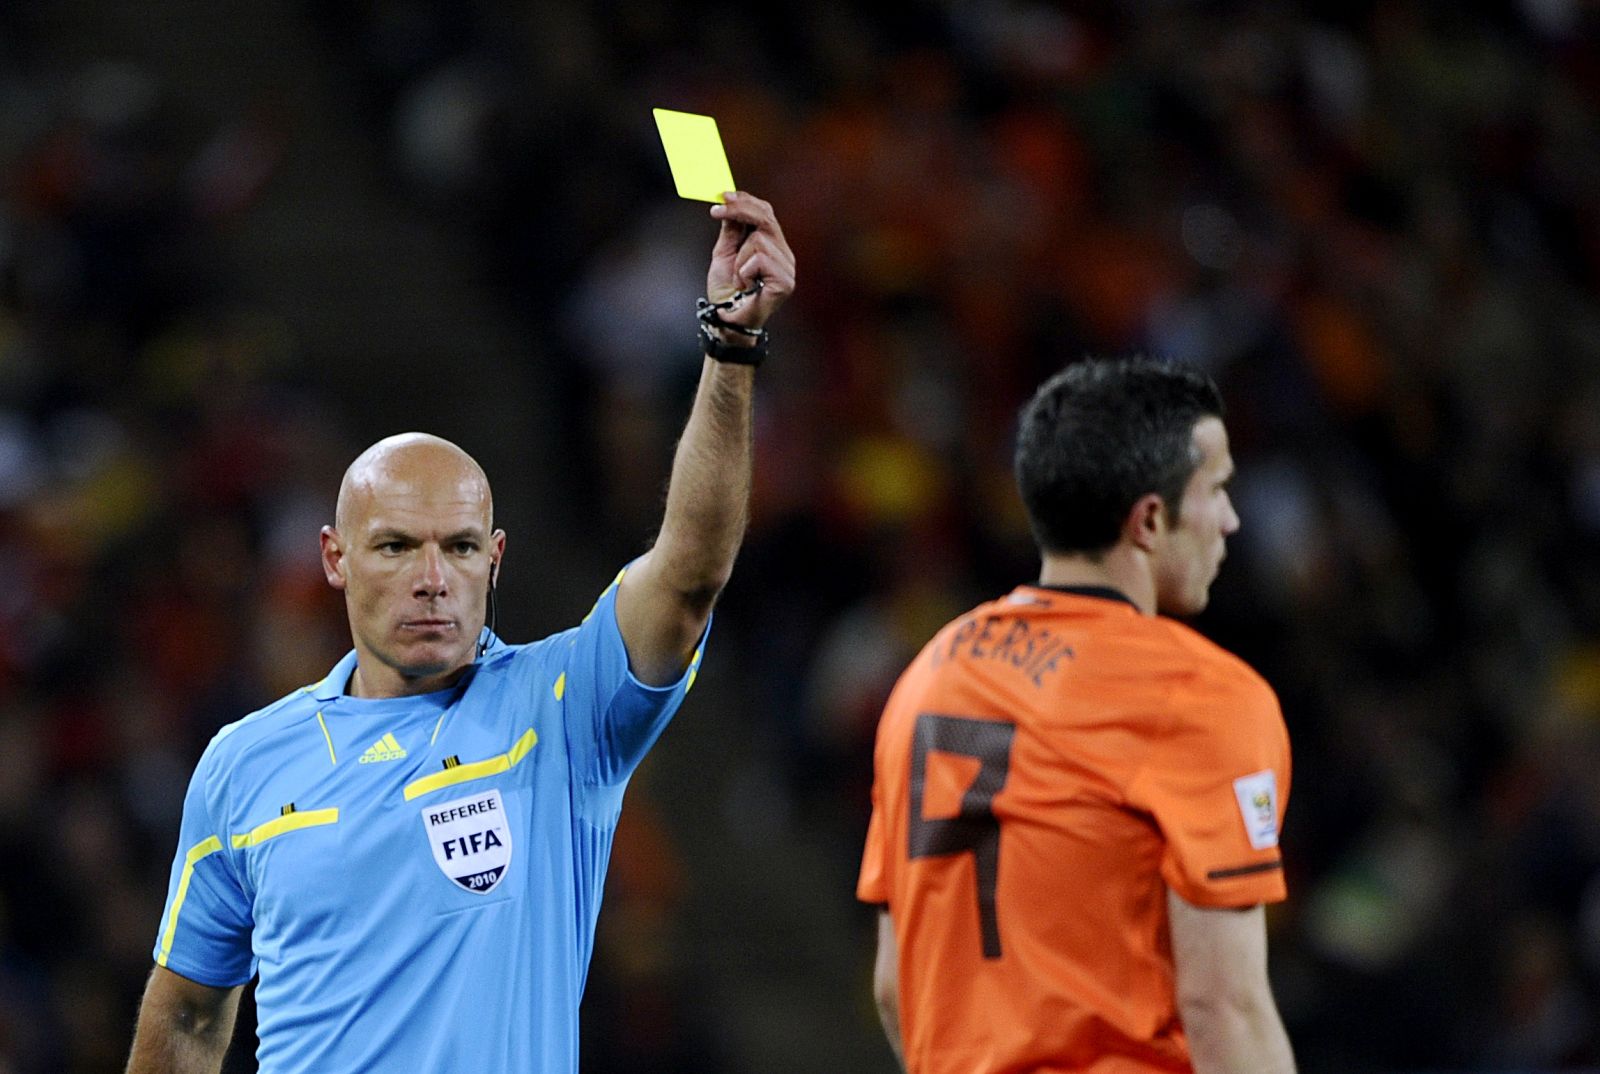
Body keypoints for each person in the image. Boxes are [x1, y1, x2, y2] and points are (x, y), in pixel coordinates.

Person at [124, 191, 795, 1073]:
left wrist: (730, 349)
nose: (432, 578)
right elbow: (186, 1021)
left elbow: (690, 571)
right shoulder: (242, 766)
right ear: (335, 558)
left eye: (460, 547)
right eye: (396, 546)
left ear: (496, 558)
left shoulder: (564, 710)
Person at [857, 357, 1296, 1073]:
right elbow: (1225, 1008)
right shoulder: (1201, 695)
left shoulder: (924, 680)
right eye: (1217, 490)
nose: (1231, 519)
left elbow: (892, 987)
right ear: (1151, 519)